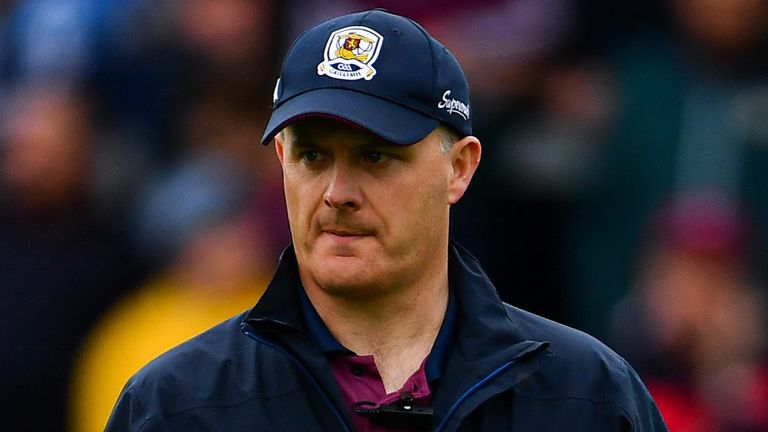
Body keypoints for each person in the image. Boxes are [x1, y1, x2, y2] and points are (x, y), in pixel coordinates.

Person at [106, 9, 667, 431]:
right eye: (312, 156)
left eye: (376, 156)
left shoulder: (587, 396)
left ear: (460, 168)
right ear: (281, 162)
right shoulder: (176, 406)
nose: (336, 194)